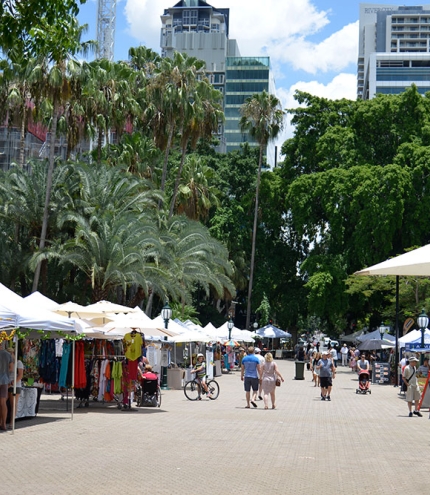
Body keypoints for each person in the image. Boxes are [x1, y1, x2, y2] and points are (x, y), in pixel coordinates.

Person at [7, 348, 24, 427]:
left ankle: (11, 422)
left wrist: (13, 382)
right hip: (7, 384)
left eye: (11, 353)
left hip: (15, 385)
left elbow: (20, 375)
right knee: (4, 402)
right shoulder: (7, 363)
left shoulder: (18, 362)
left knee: (13, 404)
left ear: (14, 353)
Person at [0, 344, 13, 431]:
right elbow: (11, 368)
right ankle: (3, 424)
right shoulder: (8, 354)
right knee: (3, 403)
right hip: (4, 380)